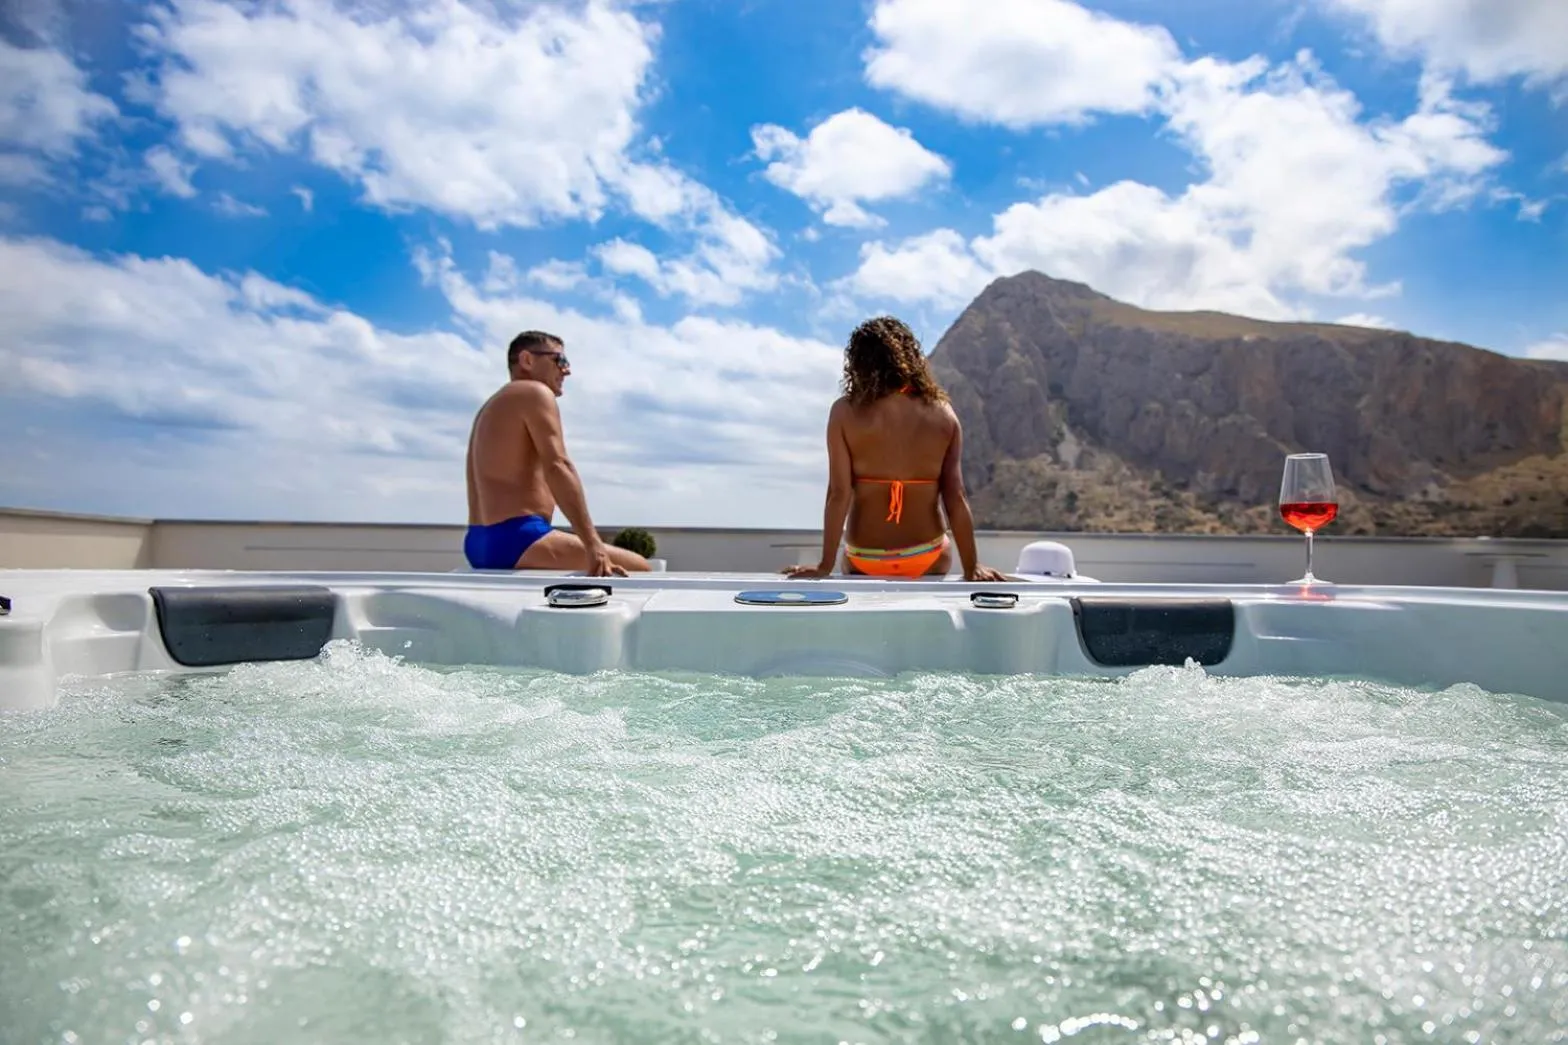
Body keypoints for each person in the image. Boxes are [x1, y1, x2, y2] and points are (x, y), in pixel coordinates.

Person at [782, 316, 1008, 582]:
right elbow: (955, 497)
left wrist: (825, 565)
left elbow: (839, 494)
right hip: (928, 556)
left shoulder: (844, 412)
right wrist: (972, 567)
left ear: (858, 364)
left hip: (864, 558)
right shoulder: (943, 414)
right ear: (911, 358)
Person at [464, 330, 650, 576]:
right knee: (640, 568)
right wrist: (593, 545)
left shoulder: (493, 404)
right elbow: (558, 466)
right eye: (559, 360)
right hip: (517, 538)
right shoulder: (533, 392)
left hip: (478, 541)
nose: (567, 370)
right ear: (527, 360)